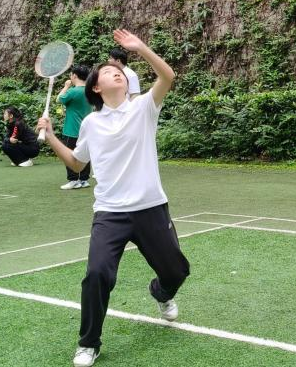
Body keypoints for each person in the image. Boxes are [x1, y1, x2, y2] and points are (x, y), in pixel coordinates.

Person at [36, 29, 189, 367]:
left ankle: (161, 293)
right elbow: (77, 163)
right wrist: (51, 137)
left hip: (150, 208)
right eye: (107, 72)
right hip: (110, 213)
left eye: (119, 71)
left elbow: (167, 76)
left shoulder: (144, 108)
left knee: (177, 271)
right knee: (97, 274)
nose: (116, 72)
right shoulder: (91, 124)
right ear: (96, 87)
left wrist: (139, 47)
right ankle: (88, 343)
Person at [57, 64, 93, 190]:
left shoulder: (72, 91)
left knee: (69, 154)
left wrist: (66, 86)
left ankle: (73, 180)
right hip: (87, 129)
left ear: (75, 76)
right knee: (85, 154)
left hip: (72, 129)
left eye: (71, 74)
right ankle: (84, 179)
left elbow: (59, 99)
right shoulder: (90, 91)